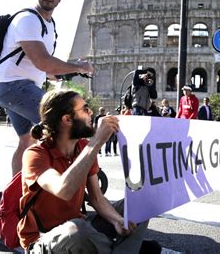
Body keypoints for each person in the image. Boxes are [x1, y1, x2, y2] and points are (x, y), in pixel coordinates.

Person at [18, 89, 150, 252]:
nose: (91, 113)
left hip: (80, 224)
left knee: (143, 200)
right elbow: (63, 190)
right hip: (43, 239)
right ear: (67, 119)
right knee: (78, 231)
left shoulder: (82, 148)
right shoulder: (35, 154)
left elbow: (96, 197)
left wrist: (117, 220)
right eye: (85, 109)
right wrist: (96, 141)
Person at [0, 0, 94, 176]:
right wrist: (77, 66)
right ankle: (68, 181)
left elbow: (43, 69)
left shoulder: (49, 25)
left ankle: (18, 193)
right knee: (64, 123)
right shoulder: (28, 20)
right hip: (14, 86)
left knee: (26, 141)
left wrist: (62, 73)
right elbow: (44, 62)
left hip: (14, 87)